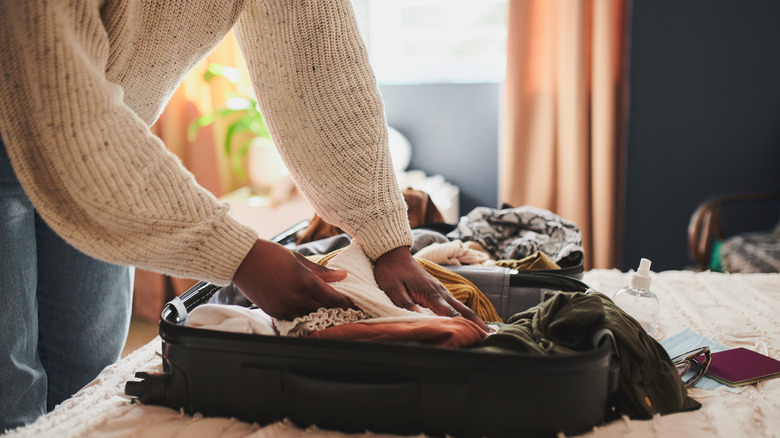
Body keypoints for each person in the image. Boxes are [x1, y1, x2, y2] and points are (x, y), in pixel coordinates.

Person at [0, 0, 487, 431]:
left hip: (112, 144)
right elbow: (59, 106)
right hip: (37, 115)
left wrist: (386, 238)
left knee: (84, 384)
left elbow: (319, 68)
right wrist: (239, 255)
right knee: (11, 395)